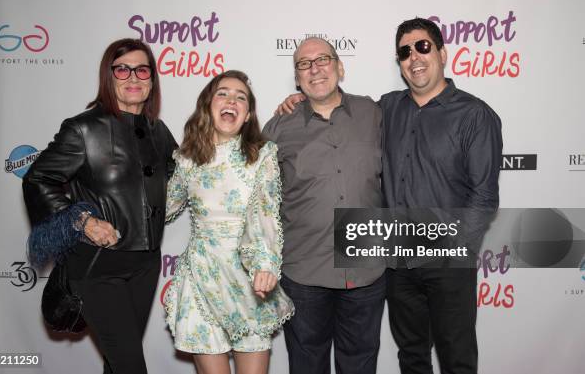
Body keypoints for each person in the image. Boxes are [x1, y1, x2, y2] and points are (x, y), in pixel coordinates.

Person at [276, 19, 502, 374]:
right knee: (411, 356)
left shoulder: (474, 114)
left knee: (457, 358)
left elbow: (484, 197)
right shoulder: (386, 108)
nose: (414, 57)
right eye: (405, 52)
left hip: (447, 263)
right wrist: (299, 100)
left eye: (423, 47)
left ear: (442, 53)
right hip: (396, 264)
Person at [23, 38, 176, 374]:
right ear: (109, 76)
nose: (133, 77)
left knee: (118, 362)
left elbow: (184, 177)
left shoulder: (158, 131)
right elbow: (37, 179)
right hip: (98, 267)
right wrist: (82, 220)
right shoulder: (83, 128)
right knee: (131, 366)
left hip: (146, 265)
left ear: (152, 80)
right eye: (122, 69)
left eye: (142, 69)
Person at [263, 37, 387, 374]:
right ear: (297, 78)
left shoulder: (374, 113)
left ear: (340, 67)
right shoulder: (276, 129)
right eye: (304, 64)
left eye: (323, 60)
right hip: (304, 275)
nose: (315, 68)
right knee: (306, 366)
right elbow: (261, 202)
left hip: (365, 271)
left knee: (360, 365)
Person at [164, 70, 294, 374]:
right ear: (208, 104)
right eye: (223, 93)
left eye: (241, 97)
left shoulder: (262, 155)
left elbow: (265, 211)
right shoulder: (186, 160)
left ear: (247, 115)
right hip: (199, 279)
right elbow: (162, 209)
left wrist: (265, 264)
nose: (231, 100)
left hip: (248, 282)